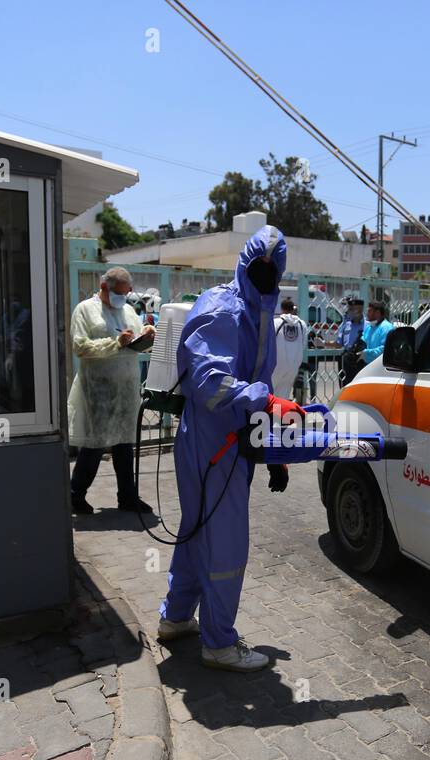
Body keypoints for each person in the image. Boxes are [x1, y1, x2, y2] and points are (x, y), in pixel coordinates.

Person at [156, 225, 302, 672]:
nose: (265, 275)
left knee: (198, 533)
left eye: (272, 269)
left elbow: (255, 380)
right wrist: (269, 402)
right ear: (244, 264)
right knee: (225, 543)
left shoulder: (260, 310)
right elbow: (211, 384)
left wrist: (272, 455)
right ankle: (219, 642)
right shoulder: (223, 308)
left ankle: (176, 619)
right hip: (209, 443)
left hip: (232, 443)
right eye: (259, 266)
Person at [68, 266, 155, 515]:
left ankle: (127, 497)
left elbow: (136, 344)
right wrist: (114, 343)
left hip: (127, 387)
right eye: (118, 293)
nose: (122, 298)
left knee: (125, 444)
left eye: (125, 294)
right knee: (95, 444)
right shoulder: (85, 309)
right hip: (99, 388)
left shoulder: (128, 310)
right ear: (103, 286)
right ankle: (75, 494)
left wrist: (147, 335)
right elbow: (80, 347)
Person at [272, 297, 307, 401]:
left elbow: (269, 344)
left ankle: (270, 416)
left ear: (281, 309)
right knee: (283, 396)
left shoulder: (275, 322)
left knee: (270, 395)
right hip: (293, 366)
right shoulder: (302, 324)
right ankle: (277, 417)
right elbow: (303, 345)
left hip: (276, 365)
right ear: (293, 309)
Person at [361, 300, 395, 366]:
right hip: (367, 366)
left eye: (369, 311)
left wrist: (366, 354)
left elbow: (385, 349)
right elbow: (363, 341)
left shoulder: (386, 327)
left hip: (380, 367)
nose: (367, 314)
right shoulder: (369, 327)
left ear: (377, 313)